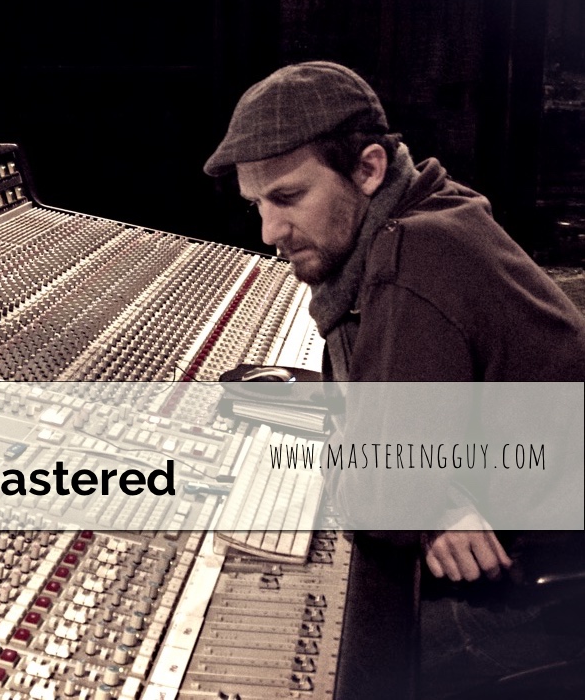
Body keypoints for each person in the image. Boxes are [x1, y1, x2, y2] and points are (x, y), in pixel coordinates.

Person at [203, 61, 585, 698]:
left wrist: (416, 495)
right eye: (258, 205)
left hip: (550, 592)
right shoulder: (429, 210)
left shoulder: (414, 257)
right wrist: (429, 496)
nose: (269, 232)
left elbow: (378, 493)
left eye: (288, 198)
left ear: (368, 169)